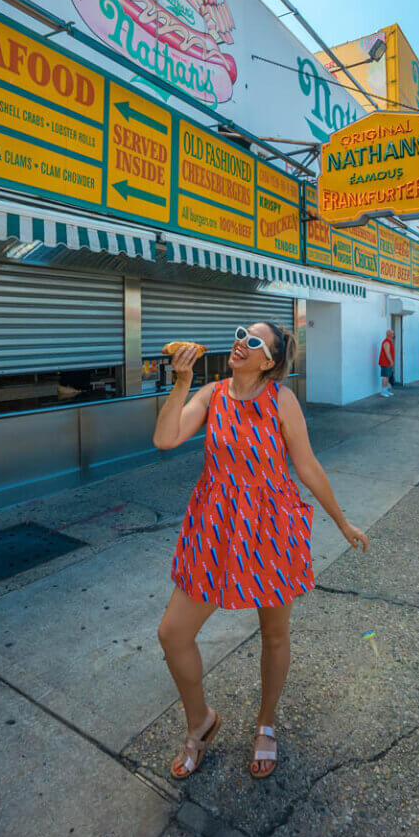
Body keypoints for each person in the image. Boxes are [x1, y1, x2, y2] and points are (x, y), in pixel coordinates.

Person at [153, 322, 368, 781]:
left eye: (253, 341)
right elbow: (165, 439)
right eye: (239, 334)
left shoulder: (281, 400)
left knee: (274, 632)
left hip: (271, 528)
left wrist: (341, 520)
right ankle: (201, 723)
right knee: (173, 633)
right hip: (214, 528)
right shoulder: (211, 395)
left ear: (269, 360)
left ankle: (266, 723)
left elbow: (306, 464)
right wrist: (183, 381)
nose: (240, 343)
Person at [379, 328, 395, 397]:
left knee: (387, 377)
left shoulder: (389, 341)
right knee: (385, 377)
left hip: (388, 363)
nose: (393, 335)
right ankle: (383, 391)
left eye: (393, 333)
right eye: (392, 334)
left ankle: (386, 390)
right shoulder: (386, 342)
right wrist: (391, 361)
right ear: (388, 334)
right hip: (385, 362)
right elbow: (387, 353)